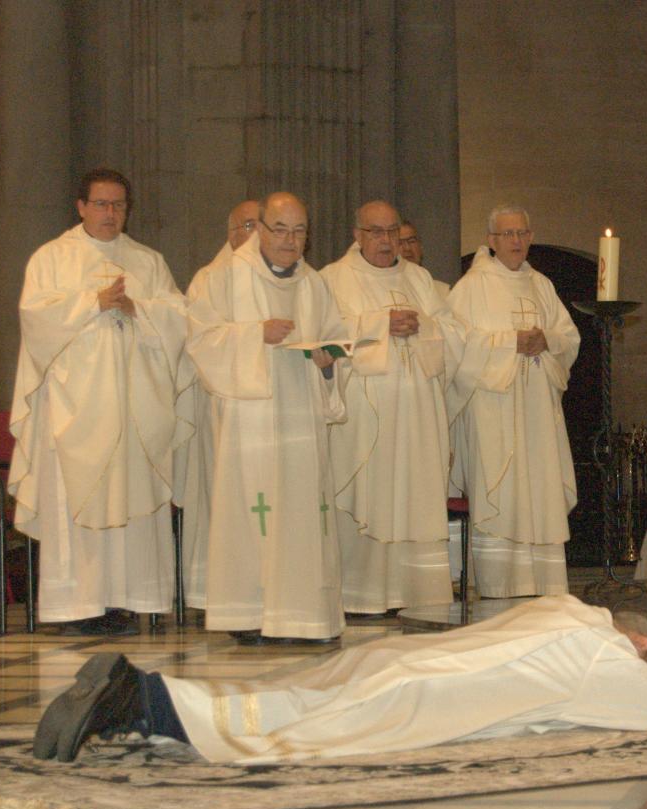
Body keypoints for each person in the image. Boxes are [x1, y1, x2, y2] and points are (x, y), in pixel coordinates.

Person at [33, 595, 647, 764]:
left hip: (393, 658)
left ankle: (143, 697)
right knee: (301, 731)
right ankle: (141, 703)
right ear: (638, 643)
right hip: (419, 693)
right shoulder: (606, 654)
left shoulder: (566, 606)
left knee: (287, 700)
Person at [9, 168, 189, 634]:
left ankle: (125, 601)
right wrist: (94, 303)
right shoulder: (52, 258)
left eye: (119, 205)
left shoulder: (148, 262)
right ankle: (77, 606)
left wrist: (137, 308)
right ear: (81, 207)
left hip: (133, 412)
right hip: (75, 412)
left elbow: (179, 318)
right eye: (102, 204)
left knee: (132, 499)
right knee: (77, 504)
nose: (111, 213)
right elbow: (36, 319)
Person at [185, 192, 346, 643]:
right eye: (281, 230)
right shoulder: (221, 277)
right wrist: (256, 334)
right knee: (254, 510)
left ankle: (302, 617)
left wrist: (328, 362)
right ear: (260, 229)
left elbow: (336, 340)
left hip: (301, 419)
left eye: (299, 231)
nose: (290, 240)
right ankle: (249, 616)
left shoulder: (314, 284)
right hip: (249, 420)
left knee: (302, 513)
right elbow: (200, 340)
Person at [319, 201, 455, 614]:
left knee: (415, 494)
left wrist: (423, 326)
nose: (385, 240)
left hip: (417, 413)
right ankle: (362, 595)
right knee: (371, 495)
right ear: (357, 235)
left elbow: (454, 333)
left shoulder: (419, 279)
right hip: (367, 415)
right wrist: (381, 324)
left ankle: (416, 592)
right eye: (375, 232)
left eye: (392, 231)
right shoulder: (333, 279)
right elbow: (324, 337)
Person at [447, 206, 580, 598]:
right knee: (501, 491)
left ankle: (545, 585)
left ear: (531, 237)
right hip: (493, 411)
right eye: (507, 234)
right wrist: (510, 343)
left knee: (540, 489)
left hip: (538, 410)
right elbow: (456, 345)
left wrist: (547, 340)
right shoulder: (471, 287)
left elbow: (569, 337)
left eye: (522, 233)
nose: (516, 241)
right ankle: (499, 585)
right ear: (491, 240)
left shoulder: (542, 285)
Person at [173, 200, 260, 610]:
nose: (258, 234)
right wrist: (257, 336)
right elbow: (201, 342)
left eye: (264, 226)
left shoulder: (287, 277)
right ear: (231, 234)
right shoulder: (210, 279)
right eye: (249, 225)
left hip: (273, 413)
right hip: (223, 411)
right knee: (226, 501)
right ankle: (223, 593)